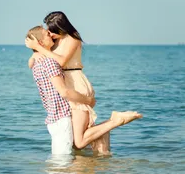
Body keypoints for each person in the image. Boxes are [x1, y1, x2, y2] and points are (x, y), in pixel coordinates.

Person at [26, 25, 143, 155]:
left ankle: (114, 122)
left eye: (50, 30)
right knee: (76, 146)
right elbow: (59, 86)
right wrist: (35, 52)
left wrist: (36, 49)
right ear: (41, 42)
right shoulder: (45, 60)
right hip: (59, 112)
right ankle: (105, 149)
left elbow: (62, 81)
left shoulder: (62, 47)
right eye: (47, 33)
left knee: (72, 149)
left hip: (70, 97)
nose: (50, 33)